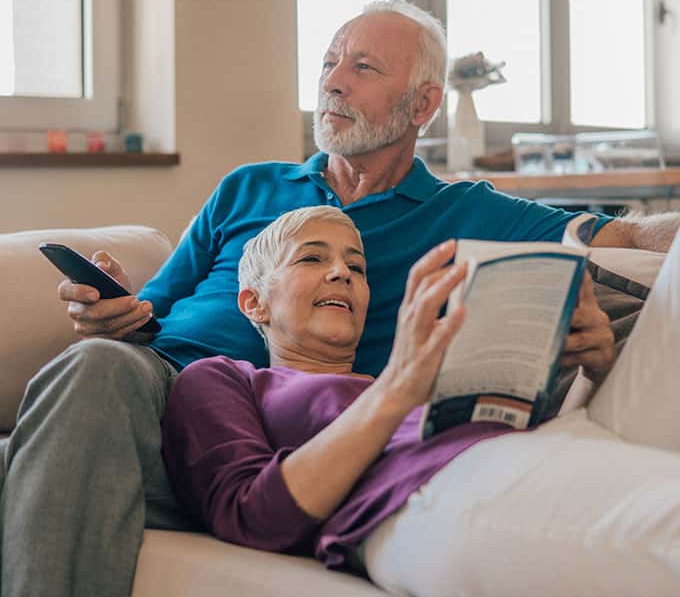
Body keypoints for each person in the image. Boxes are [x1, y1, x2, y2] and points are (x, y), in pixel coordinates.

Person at [0, 0, 677, 597]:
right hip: (156, 392)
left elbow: (631, 233)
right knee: (100, 367)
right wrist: (112, 312)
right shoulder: (248, 187)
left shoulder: (467, 209)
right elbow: (151, 311)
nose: (332, 80)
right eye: (328, 62)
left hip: (284, 430)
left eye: (362, 67)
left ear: (423, 105)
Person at [161, 205, 616, 570]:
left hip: (542, 457)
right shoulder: (224, 378)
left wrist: (592, 373)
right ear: (254, 302)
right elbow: (251, 516)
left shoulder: (407, 379)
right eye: (312, 257)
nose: (342, 273)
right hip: (428, 497)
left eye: (356, 267)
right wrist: (398, 390)